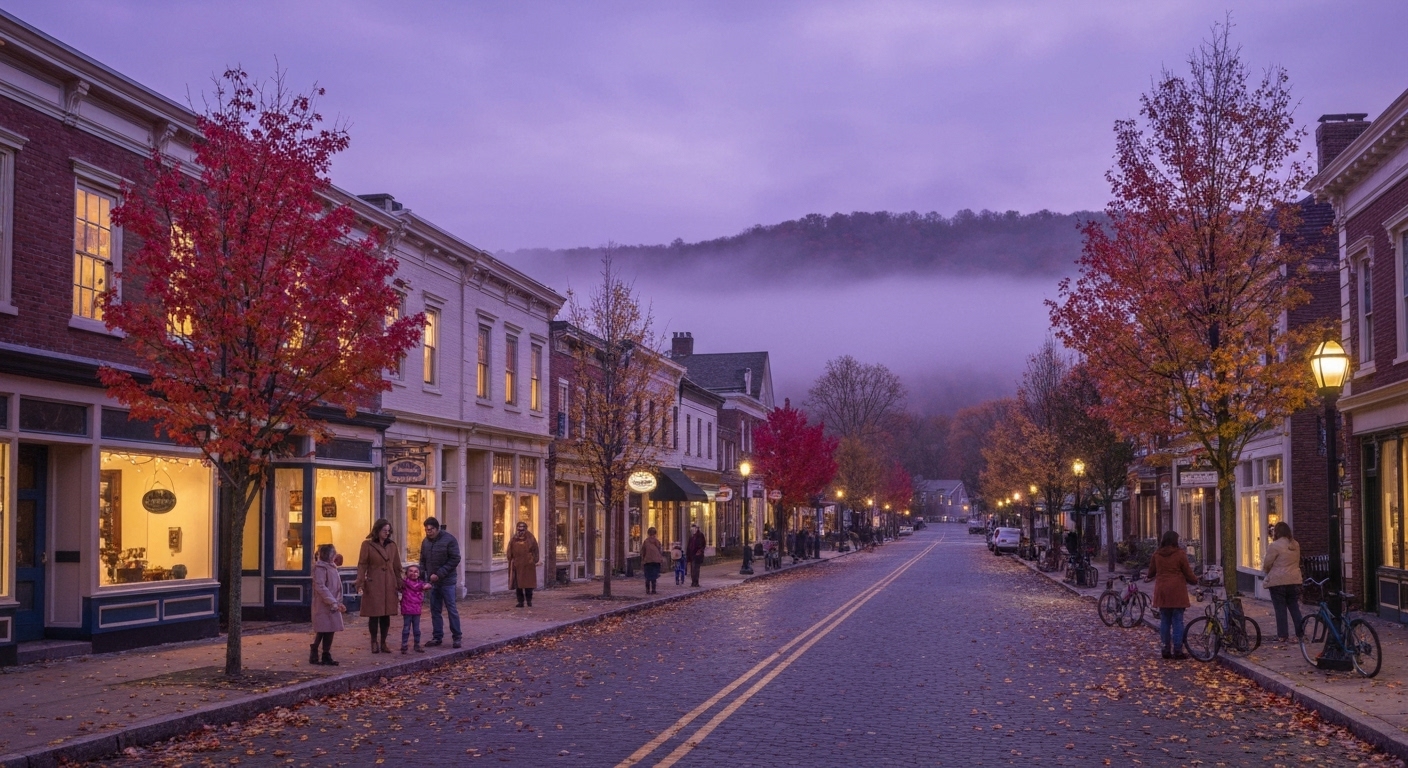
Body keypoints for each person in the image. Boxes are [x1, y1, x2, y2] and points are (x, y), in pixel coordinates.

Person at [1148, 530, 1197, 660]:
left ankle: (1165, 649)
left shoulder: (1157, 555)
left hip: (1163, 590)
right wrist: (1195, 580)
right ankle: (1177, 650)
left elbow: (1151, 572)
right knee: (1177, 621)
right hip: (1177, 591)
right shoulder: (1180, 554)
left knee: (1164, 621)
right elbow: (1188, 572)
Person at [355, 518, 402, 654]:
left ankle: (383, 642)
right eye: (384, 530)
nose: (387, 533)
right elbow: (362, 564)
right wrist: (360, 581)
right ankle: (373, 641)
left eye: (388, 531)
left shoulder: (392, 545)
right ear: (377, 530)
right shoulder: (367, 545)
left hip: (389, 583)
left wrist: (399, 581)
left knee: (386, 614)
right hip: (374, 582)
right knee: (374, 614)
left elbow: (397, 565)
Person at [420, 516, 463, 648]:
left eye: (431, 529)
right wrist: (423, 577)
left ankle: (457, 637)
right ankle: (437, 636)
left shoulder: (449, 540)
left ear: (437, 528)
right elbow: (422, 560)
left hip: (447, 581)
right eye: (426, 530)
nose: (429, 532)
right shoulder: (425, 542)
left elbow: (455, 558)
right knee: (435, 609)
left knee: (451, 608)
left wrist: (439, 574)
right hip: (433, 582)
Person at [1263, 521, 1306, 642]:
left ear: (1276, 532)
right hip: (1293, 580)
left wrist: (1267, 571)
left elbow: (1267, 563)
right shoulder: (1295, 545)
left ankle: (1282, 635)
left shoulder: (1274, 546)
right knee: (1294, 607)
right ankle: (1300, 633)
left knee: (1280, 609)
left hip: (1278, 581)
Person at [310, 544, 347, 666]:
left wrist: (337, 601)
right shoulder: (320, 568)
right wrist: (332, 601)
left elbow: (336, 585)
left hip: (333, 603)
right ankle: (316, 650)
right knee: (323, 628)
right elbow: (320, 586)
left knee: (330, 629)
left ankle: (326, 653)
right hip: (324, 603)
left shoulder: (332, 567)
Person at [398, 564, 433, 654]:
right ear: (406, 573)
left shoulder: (420, 584)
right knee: (406, 628)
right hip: (407, 610)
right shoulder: (404, 583)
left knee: (416, 629)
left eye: (416, 571)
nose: (413, 573)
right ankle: (404, 645)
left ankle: (416, 645)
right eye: (411, 571)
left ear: (419, 573)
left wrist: (428, 584)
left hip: (416, 610)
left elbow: (427, 585)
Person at [507, 521, 540, 608]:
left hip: (528, 565)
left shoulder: (530, 538)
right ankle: (520, 602)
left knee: (528, 584)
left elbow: (535, 549)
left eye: (522, 528)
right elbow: (509, 550)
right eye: (519, 528)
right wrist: (511, 559)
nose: (520, 531)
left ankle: (529, 601)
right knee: (519, 585)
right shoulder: (514, 538)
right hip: (517, 565)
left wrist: (533, 560)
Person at [641, 527, 665, 595]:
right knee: (654, 576)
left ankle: (647, 590)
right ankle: (653, 590)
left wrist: (643, 559)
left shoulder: (646, 542)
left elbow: (643, 551)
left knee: (648, 576)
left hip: (648, 561)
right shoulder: (657, 541)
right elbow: (660, 550)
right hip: (656, 561)